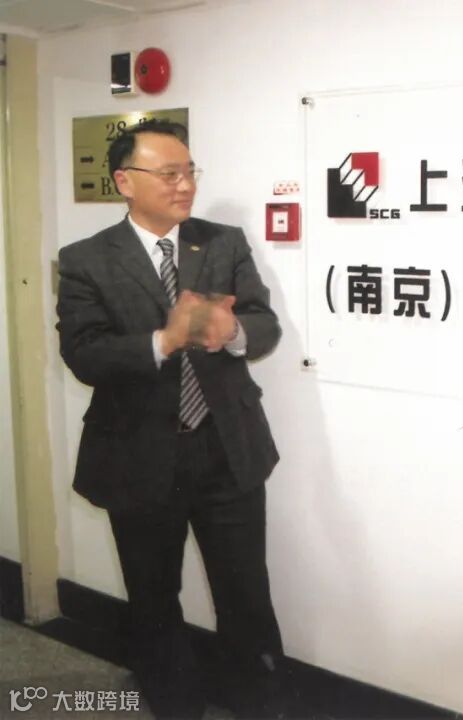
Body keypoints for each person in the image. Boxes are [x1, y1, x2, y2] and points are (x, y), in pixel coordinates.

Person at [56, 119, 284, 718]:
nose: (185, 185)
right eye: (169, 173)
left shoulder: (223, 243)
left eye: (189, 172)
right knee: (153, 598)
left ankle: (258, 706)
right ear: (125, 181)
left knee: (246, 594)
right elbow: (83, 354)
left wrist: (232, 332)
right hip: (138, 455)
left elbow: (264, 325)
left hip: (225, 449)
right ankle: (176, 705)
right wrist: (164, 340)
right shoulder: (85, 260)